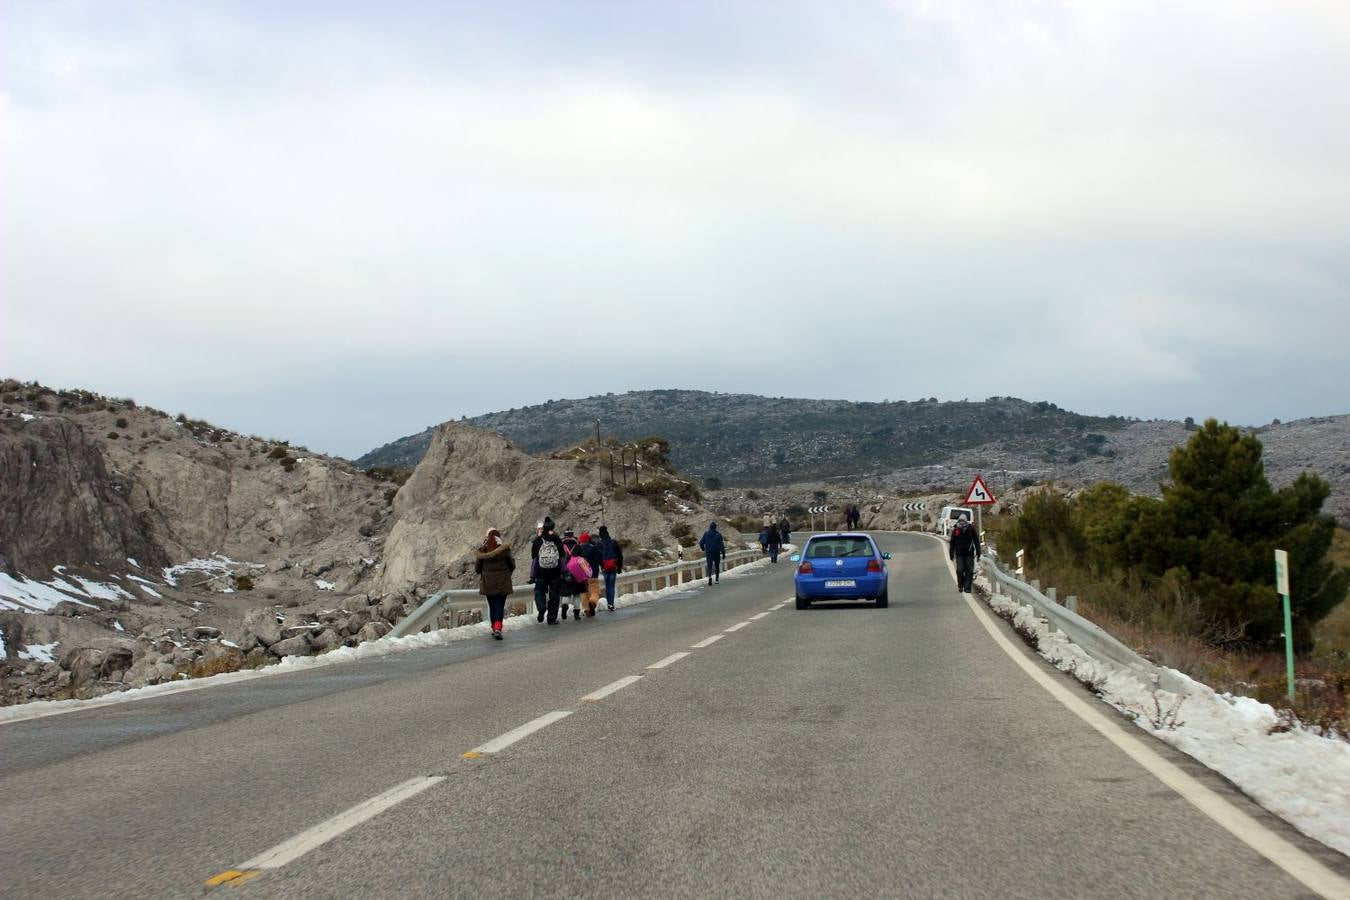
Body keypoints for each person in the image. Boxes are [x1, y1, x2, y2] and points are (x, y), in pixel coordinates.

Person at [474, 528, 514, 640]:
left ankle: (494, 627)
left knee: (492, 606)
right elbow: (512, 565)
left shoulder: (483, 552)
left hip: (488, 583)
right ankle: (497, 627)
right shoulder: (505, 551)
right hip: (503, 582)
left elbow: (477, 569)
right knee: (499, 606)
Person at [532, 516, 565, 624]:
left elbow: (534, 556)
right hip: (555, 573)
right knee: (554, 595)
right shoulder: (556, 539)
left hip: (541, 573)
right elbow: (562, 555)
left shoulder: (537, 541)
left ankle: (541, 607)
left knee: (539, 591)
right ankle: (551, 619)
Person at [949, 514, 981, 593]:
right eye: (960, 521)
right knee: (959, 570)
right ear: (958, 521)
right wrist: (951, 554)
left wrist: (978, 551)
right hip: (959, 554)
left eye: (963, 521)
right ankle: (960, 585)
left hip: (969, 554)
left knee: (969, 571)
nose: (962, 523)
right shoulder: (956, 530)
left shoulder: (970, 529)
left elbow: (976, 541)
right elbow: (952, 543)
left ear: (966, 521)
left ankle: (967, 588)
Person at [559, 529, 585, 621]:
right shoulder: (578, 546)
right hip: (577, 574)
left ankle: (565, 606)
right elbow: (583, 560)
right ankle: (577, 614)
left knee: (566, 593)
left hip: (565, 573)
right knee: (576, 594)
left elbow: (559, 561)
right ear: (573, 535)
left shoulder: (561, 546)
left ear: (565, 536)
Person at [596, 525, 624, 611]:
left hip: (605, 568)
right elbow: (620, 555)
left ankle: (609, 602)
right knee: (611, 586)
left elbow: (598, 557)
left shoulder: (599, 544)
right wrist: (619, 567)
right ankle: (610, 604)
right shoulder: (614, 542)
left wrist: (601, 566)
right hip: (613, 567)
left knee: (607, 585)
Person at [578, 531, 604, 617]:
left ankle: (587, 609)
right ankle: (592, 602)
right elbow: (600, 558)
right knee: (594, 590)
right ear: (588, 540)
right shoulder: (594, 548)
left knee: (584, 593)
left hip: (582, 575)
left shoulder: (577, 550)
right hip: (593, 573)